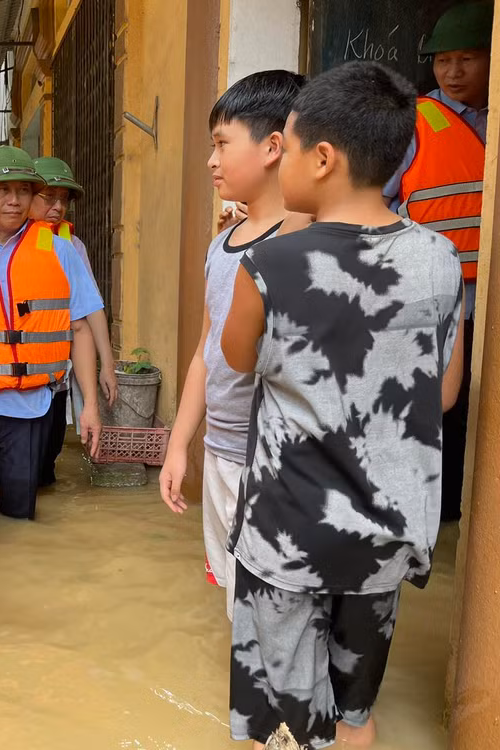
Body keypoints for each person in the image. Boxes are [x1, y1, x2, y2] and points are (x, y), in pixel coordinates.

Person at [221, 61, 464, 748]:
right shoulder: (440, 259)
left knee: (280, 717)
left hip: (287, 539)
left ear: (322, 158)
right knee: (354, 714)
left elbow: (239, 361)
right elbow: (442, 393)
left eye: (288, 147)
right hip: (385, 540)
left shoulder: (269, 267)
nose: (280, 159)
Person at [159, 70, 305, 621]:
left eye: (222, 144)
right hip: (219, 452)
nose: (211, 161)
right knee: (236, 602)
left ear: (273, 147)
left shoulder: (305, 240)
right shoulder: (221, 244)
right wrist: (180, 445)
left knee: (277, 610)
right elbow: (204, 352)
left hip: (274, 459)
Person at [0, 146, 102, 524]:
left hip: (31, 409)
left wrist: (88, 405)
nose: (14, 201)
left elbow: (81, 328)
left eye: (24, 191)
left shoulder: (61, 251)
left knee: (19, 519)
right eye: (2, 190)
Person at [383, 1, 490, 522]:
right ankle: (434, 513)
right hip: (425, 292)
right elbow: (373, 199)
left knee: (474, 407)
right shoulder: (414, 121)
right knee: (430, 403)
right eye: (443, 60)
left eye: (467, 58)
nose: (453, 71)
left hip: (485, 294)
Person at [29, 156, 118, 487]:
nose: (58, 207)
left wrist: (106, 364)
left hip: (57, 375)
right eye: (49, 197)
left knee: (46, 465)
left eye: (63, 200)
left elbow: (90, 309)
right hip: (15, 380)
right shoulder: (7, 246)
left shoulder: (71, 246)